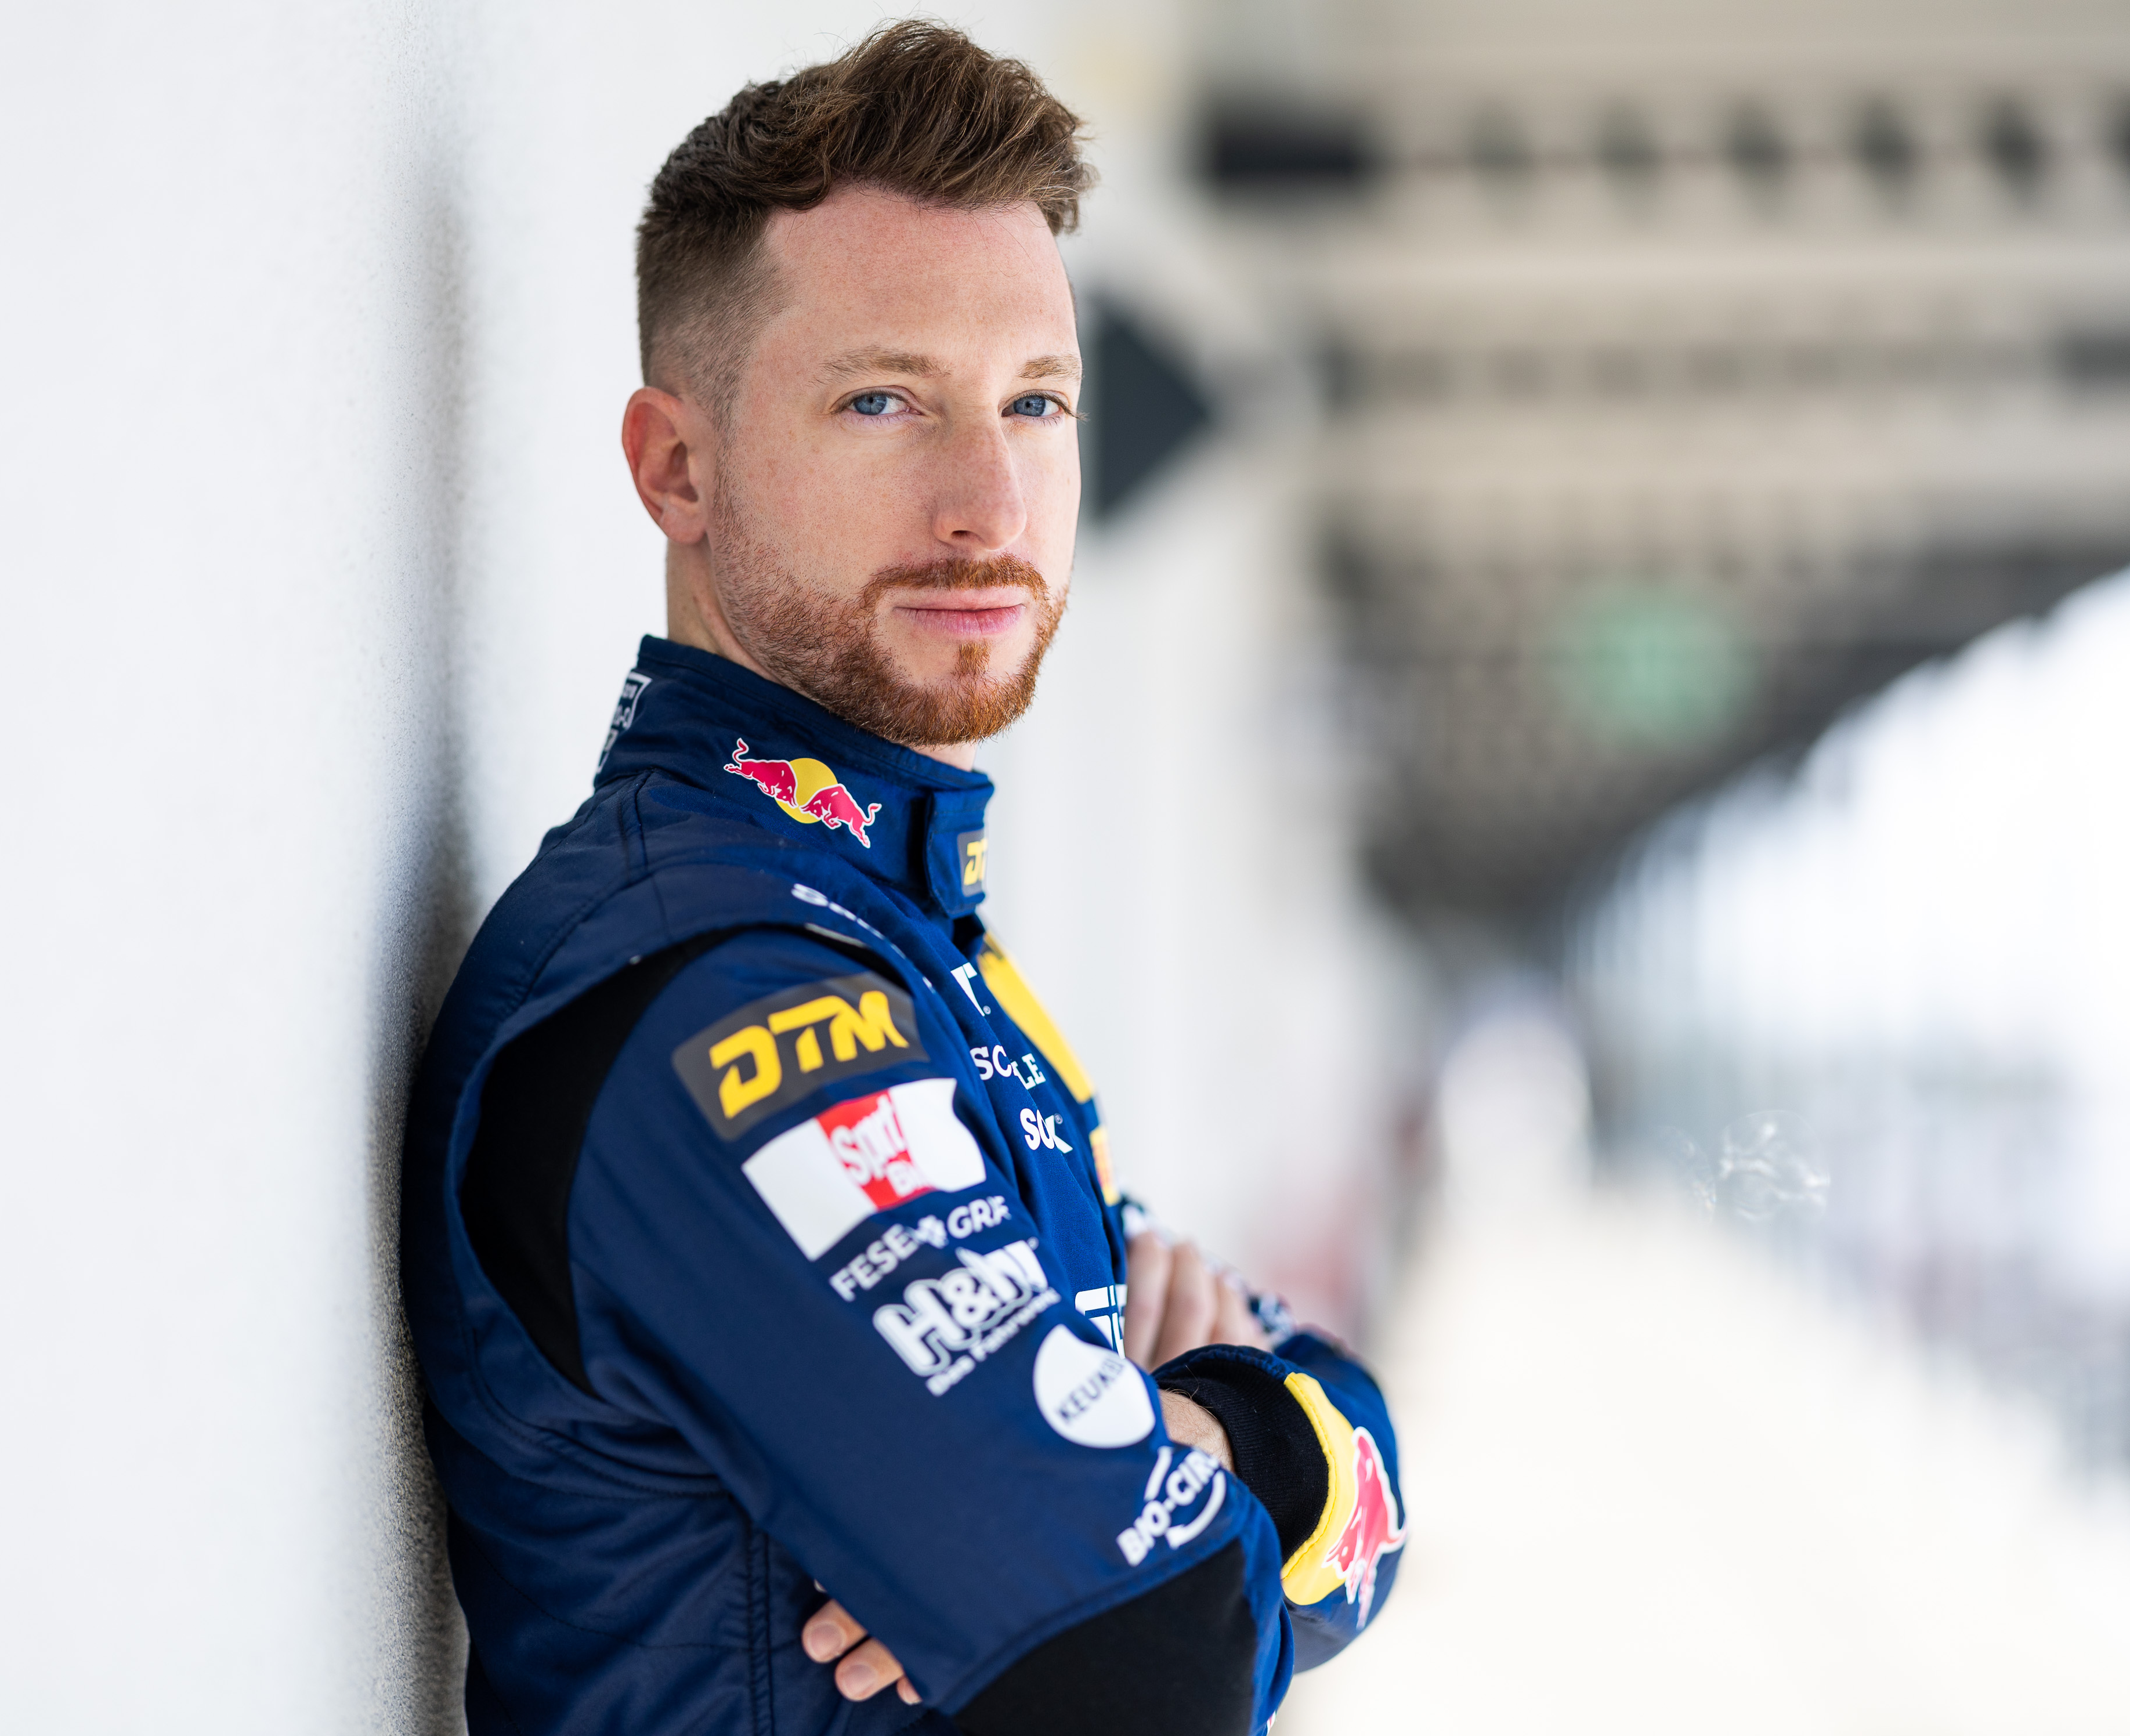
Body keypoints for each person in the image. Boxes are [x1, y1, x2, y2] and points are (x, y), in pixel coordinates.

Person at [402, 23, 1404, 1734]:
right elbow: (1151, 1658)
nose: (987, 500)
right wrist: (1172, 1463)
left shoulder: (904, 937)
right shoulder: (712, 989)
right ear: (676, 469)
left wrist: (1225, 1426)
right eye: (886, 401)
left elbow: (1341, 1453)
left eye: (1036, 402)